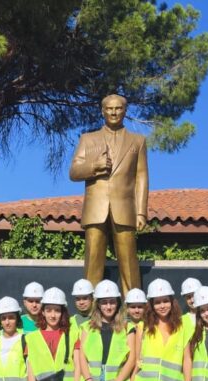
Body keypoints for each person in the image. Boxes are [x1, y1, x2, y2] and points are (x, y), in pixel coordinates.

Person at [68, 93, 148, 294]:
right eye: (110, 109)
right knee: (93, 262)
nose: (114, 112)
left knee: (129, 262)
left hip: (125, 208)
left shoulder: (138, 141)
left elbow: (141, 177)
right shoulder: (88, 138)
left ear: (125, 111)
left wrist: (141, 212)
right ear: (102, 111)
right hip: (96, 209)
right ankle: (90, 311)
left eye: (118, 108)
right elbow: (74, 172)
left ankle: (133, 308)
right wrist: (95, 166)